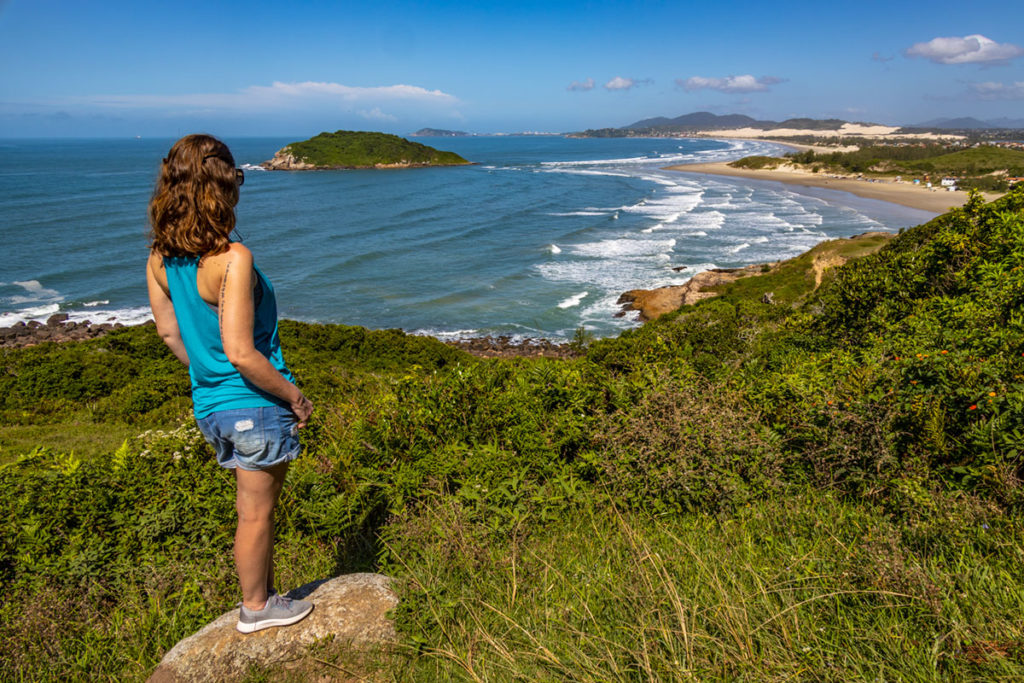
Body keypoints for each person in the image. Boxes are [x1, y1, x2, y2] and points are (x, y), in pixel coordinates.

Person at [146, 134, 314, 633]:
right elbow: (243, 353)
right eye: (236, 179)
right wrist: (296, 398)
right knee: (256, 516)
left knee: (250, 513)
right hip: (255, 405)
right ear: (221, 188)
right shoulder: (232, 258)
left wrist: (207, 372)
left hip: (210, 407)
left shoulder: (160, 257)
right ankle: (257, 609)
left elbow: (169, 330)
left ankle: (262, 597)